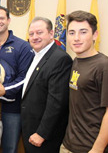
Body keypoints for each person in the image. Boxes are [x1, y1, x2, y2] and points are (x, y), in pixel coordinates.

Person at [61, 11, 108, 153]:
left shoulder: (104, 66)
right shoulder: (76, 61)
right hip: (69, 144)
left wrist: (97, 149)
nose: (76, 38)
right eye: (71, 33)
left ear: (95, 35)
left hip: (91, 148)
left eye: (83, 32)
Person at [21, 17, 72, 153]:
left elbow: (57, 102)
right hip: (30, 128)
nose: (34, 37)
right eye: (31, 34)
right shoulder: (36, 55)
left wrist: (42, 133)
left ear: (51, 34)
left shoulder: (60, 59)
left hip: (44, 136)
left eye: (39, 32)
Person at [0, 6, 34, 153]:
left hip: (12, 109)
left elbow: (25, 78)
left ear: (8, 20)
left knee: (9, 148)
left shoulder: (23, 46)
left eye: (1, 18)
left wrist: (4, 90)